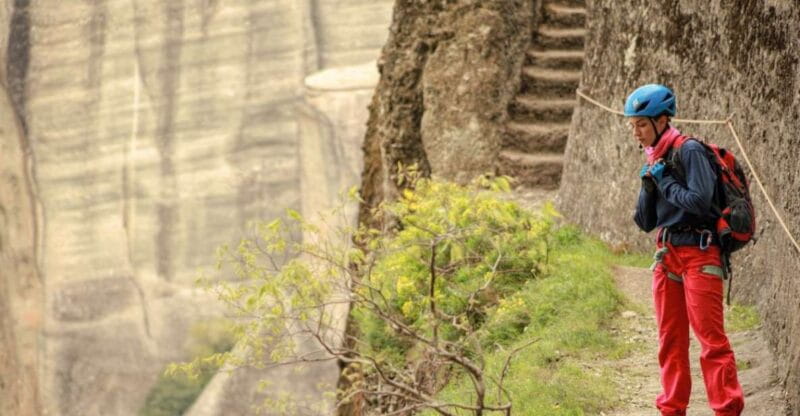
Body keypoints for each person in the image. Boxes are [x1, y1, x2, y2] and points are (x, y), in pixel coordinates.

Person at [627, 84, 744, 416]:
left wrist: (664, 181)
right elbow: (644, 222)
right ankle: (672, 409)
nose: (636, 132)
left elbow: (697, 202)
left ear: (663, 120)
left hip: (700, 254)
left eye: (642, 124)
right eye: (633, 125)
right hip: (667, 256)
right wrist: (649, 185)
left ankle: (726, 410)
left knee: (712, 342)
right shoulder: (656, 156)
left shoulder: (688, 150)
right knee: (670, 342)